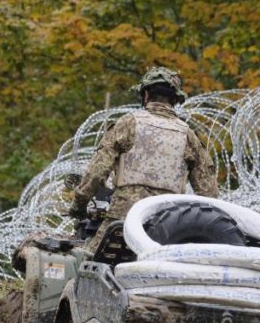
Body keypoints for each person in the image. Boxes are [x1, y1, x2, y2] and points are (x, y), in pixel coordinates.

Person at [69, 66, 219, 250]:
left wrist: (79, 204)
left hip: (124, 220)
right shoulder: (189, 136)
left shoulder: (128, 123)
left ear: (146, 95)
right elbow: (209, 193)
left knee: (89, 263)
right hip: (169, 226)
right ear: (175, 100)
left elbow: (97, 173)